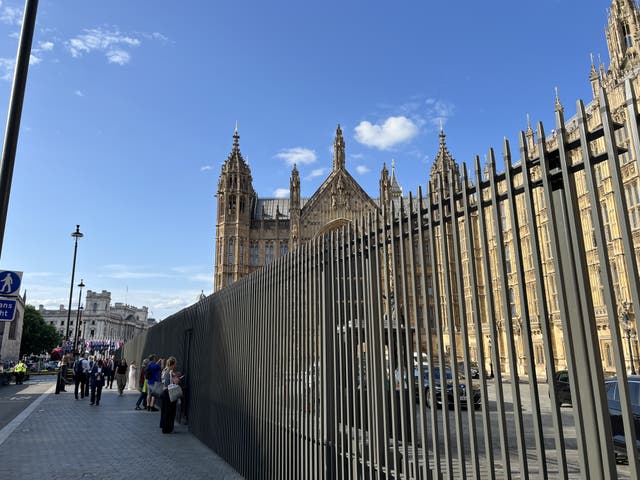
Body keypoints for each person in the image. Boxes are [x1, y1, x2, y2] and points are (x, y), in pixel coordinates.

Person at [159, 356, 180, 434]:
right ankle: (168, 429)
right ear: (172, 364)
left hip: (165, 394)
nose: (176, 366)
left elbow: (163, 381)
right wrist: (176, 377)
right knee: (170, 412)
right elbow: (176, 382)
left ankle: (164, 427)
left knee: (165, 411)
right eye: (175, 364)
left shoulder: (164, 371)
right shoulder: (170, 372)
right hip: (169, 394)